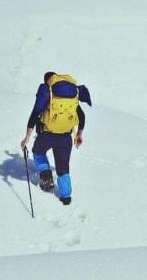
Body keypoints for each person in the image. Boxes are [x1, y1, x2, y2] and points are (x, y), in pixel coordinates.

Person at [20, 72, 92, 205]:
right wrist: (79, 134)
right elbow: (81, 117)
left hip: (47, 134)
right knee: (63, 166)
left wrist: (27, 137)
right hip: (65, 137)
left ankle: (46, 175)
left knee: (38, 151)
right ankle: (66, 197)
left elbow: (36, 113)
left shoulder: (48, 91)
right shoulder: (71, 96)